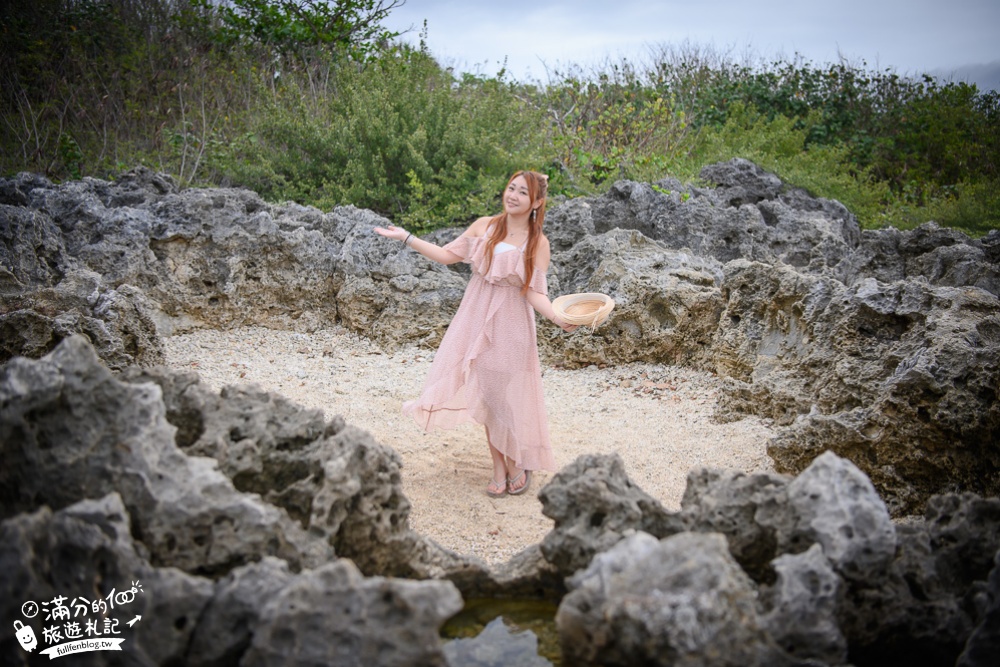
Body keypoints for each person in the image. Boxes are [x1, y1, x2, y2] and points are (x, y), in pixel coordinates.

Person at [374, 170, 577, 498]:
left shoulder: (538, 243)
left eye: (522, 192)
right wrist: (407, 237)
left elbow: (535, 292)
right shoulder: (485, 226)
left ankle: (516, 461)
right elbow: (446, 256)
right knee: (484, 391)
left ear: (537, 202)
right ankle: (502, 466)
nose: (512, 195)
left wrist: (557, 318)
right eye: (510, 188)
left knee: (497, 393)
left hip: (511, 322)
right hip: (475, 317)